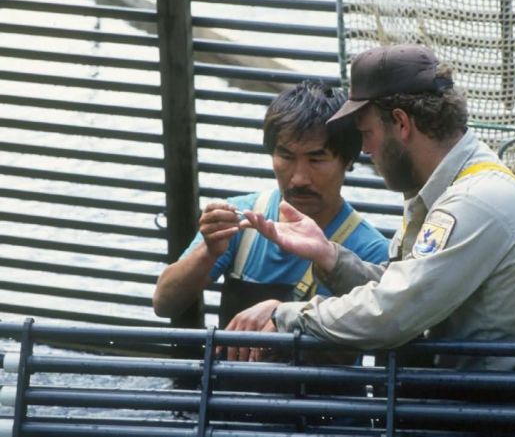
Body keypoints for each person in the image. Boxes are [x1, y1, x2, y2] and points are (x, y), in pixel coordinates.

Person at [240, 44, 515, 373]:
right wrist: (331, 257)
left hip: (482, 415)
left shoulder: (475, 201)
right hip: (454, 404)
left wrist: (285, 315)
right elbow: (406, 287)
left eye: (366, 133)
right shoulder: (448, 186)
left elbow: (392, 315)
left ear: (401, 123)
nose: (365, 149)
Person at [152, 80, 389, 362]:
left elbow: (385, 332)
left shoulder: (371, 250)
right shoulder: (242, 220)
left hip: (325, 404)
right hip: (235, 401)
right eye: (286, 157)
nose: (299, 178)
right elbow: (164, 303)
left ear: (348, 160)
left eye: (316, 160)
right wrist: (208, 251)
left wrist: (285, 315)